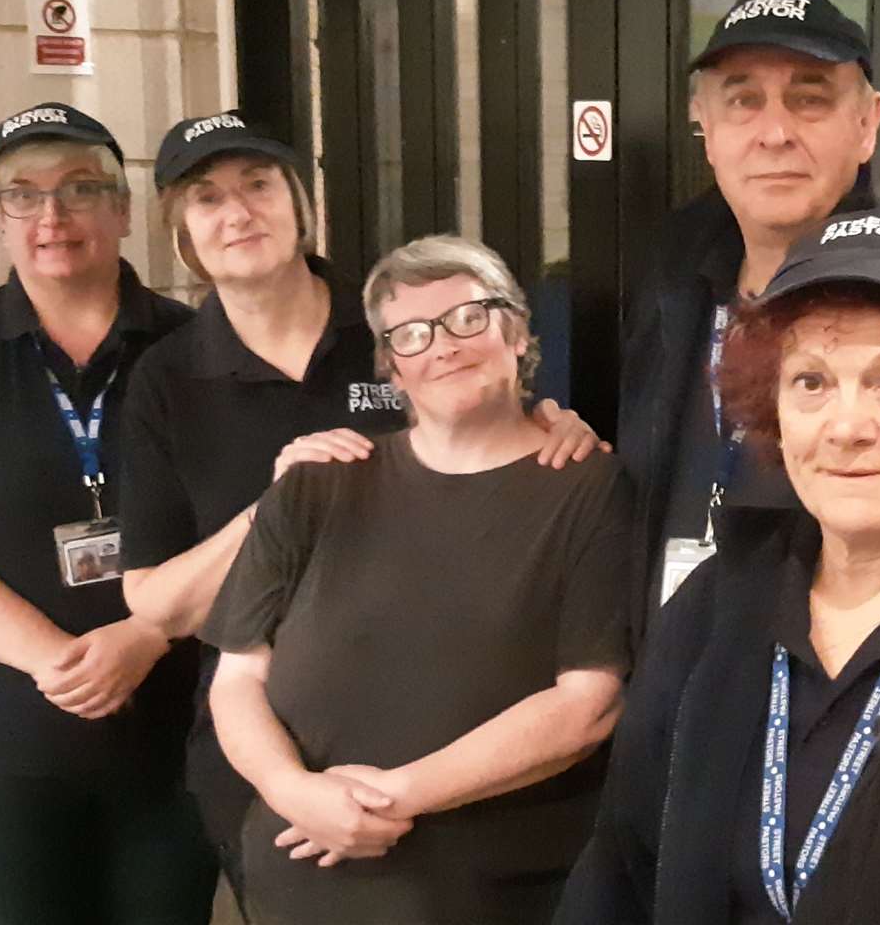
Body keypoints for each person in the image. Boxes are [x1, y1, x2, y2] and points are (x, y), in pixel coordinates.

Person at [116, 110, 601, 901]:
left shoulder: (399, 319)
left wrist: (553, 418)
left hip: (463, 778)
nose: (238, 212)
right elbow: (158, 607)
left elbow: (491, 425)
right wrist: (270, 505)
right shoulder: (167, 380)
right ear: (181, 235)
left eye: (259, 185)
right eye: (207, 198)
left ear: (300, 202)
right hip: (282, 776)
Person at [557, 208, 880, 925]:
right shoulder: (714, 607)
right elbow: (624, 861)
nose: (846, 427)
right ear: (774, 415)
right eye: (811, 383)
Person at [201, 235, 634, 924]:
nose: (444, 345)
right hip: (294, 881)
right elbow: (237, 680)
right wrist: (292, 789)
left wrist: (390, 798)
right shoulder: (315, 483)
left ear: (517, 333)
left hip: (487, 896)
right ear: (392, 371)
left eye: (469, 317)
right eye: (411, 334)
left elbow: (588, 705)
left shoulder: (588, 487)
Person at [0, 103, 214, 924]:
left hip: (170, 721)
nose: (51, 217)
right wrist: (57, 660)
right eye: (22, 195)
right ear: (0, 220)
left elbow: (247, 525)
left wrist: (144, 637)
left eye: (81, 189)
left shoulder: (195, 349)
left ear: (124, 209)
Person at [618, 0, 880, 638]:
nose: (773, 132)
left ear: (866, 123)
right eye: (742, 100)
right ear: (704, 127)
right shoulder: (672, 275)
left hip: (821, 706)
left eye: (809, 97)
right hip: (661, 683)